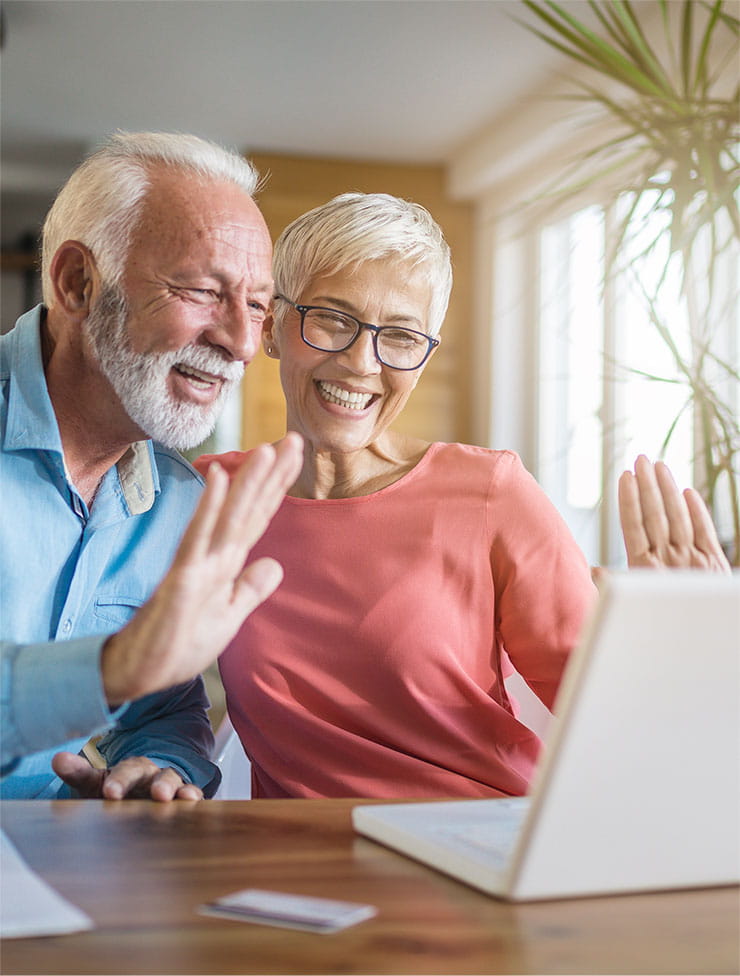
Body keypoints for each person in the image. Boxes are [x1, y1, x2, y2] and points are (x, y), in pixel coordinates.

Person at [198, 192, 730, 800]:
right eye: (332, 319)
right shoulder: (210, 498)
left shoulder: (490, 494)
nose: (360, 362)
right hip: (297, 869)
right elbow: (136, 684)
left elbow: (612, 724)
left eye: (399, 336)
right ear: (271, 327)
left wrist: (697, 639)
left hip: (475, 846)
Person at [0, 131, 303, 801]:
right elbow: (123, 673)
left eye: (257, 305)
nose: (244, 342)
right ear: (78, 283)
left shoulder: (175, 502)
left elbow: (162, 711)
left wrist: (161, 767)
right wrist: (108, 670)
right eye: (201, 290)